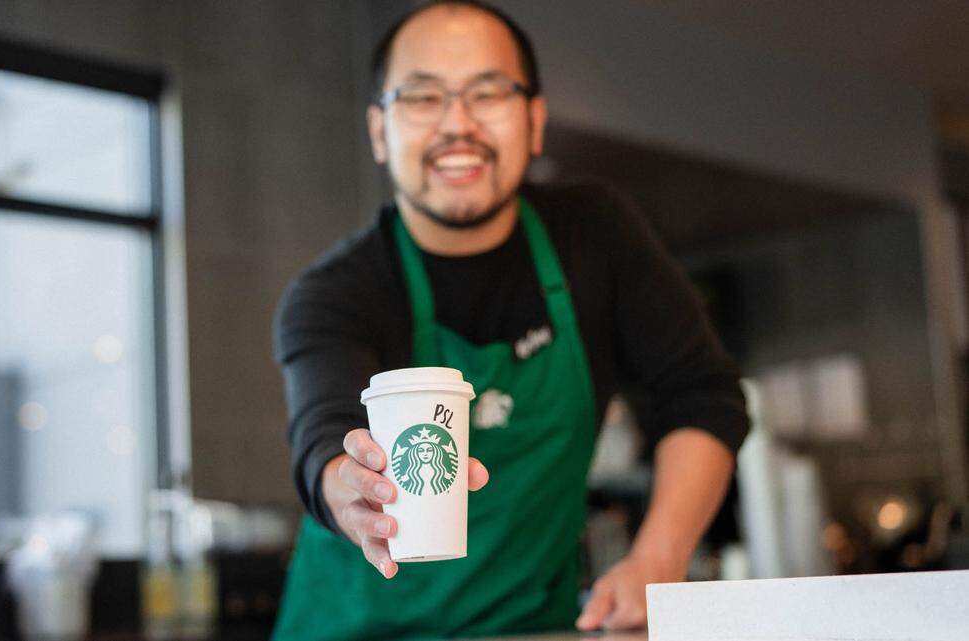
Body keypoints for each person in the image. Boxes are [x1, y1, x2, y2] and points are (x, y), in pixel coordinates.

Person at [271, 2, 748, 639]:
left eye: (489, 93)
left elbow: (703, 395)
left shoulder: (595, 237)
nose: (457, 124)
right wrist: (349, 489)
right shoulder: (333, 294)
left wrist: (658, 559)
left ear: (535, 120)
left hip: (533, 629)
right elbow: (323, 440)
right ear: (380, 131)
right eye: (423, 97)